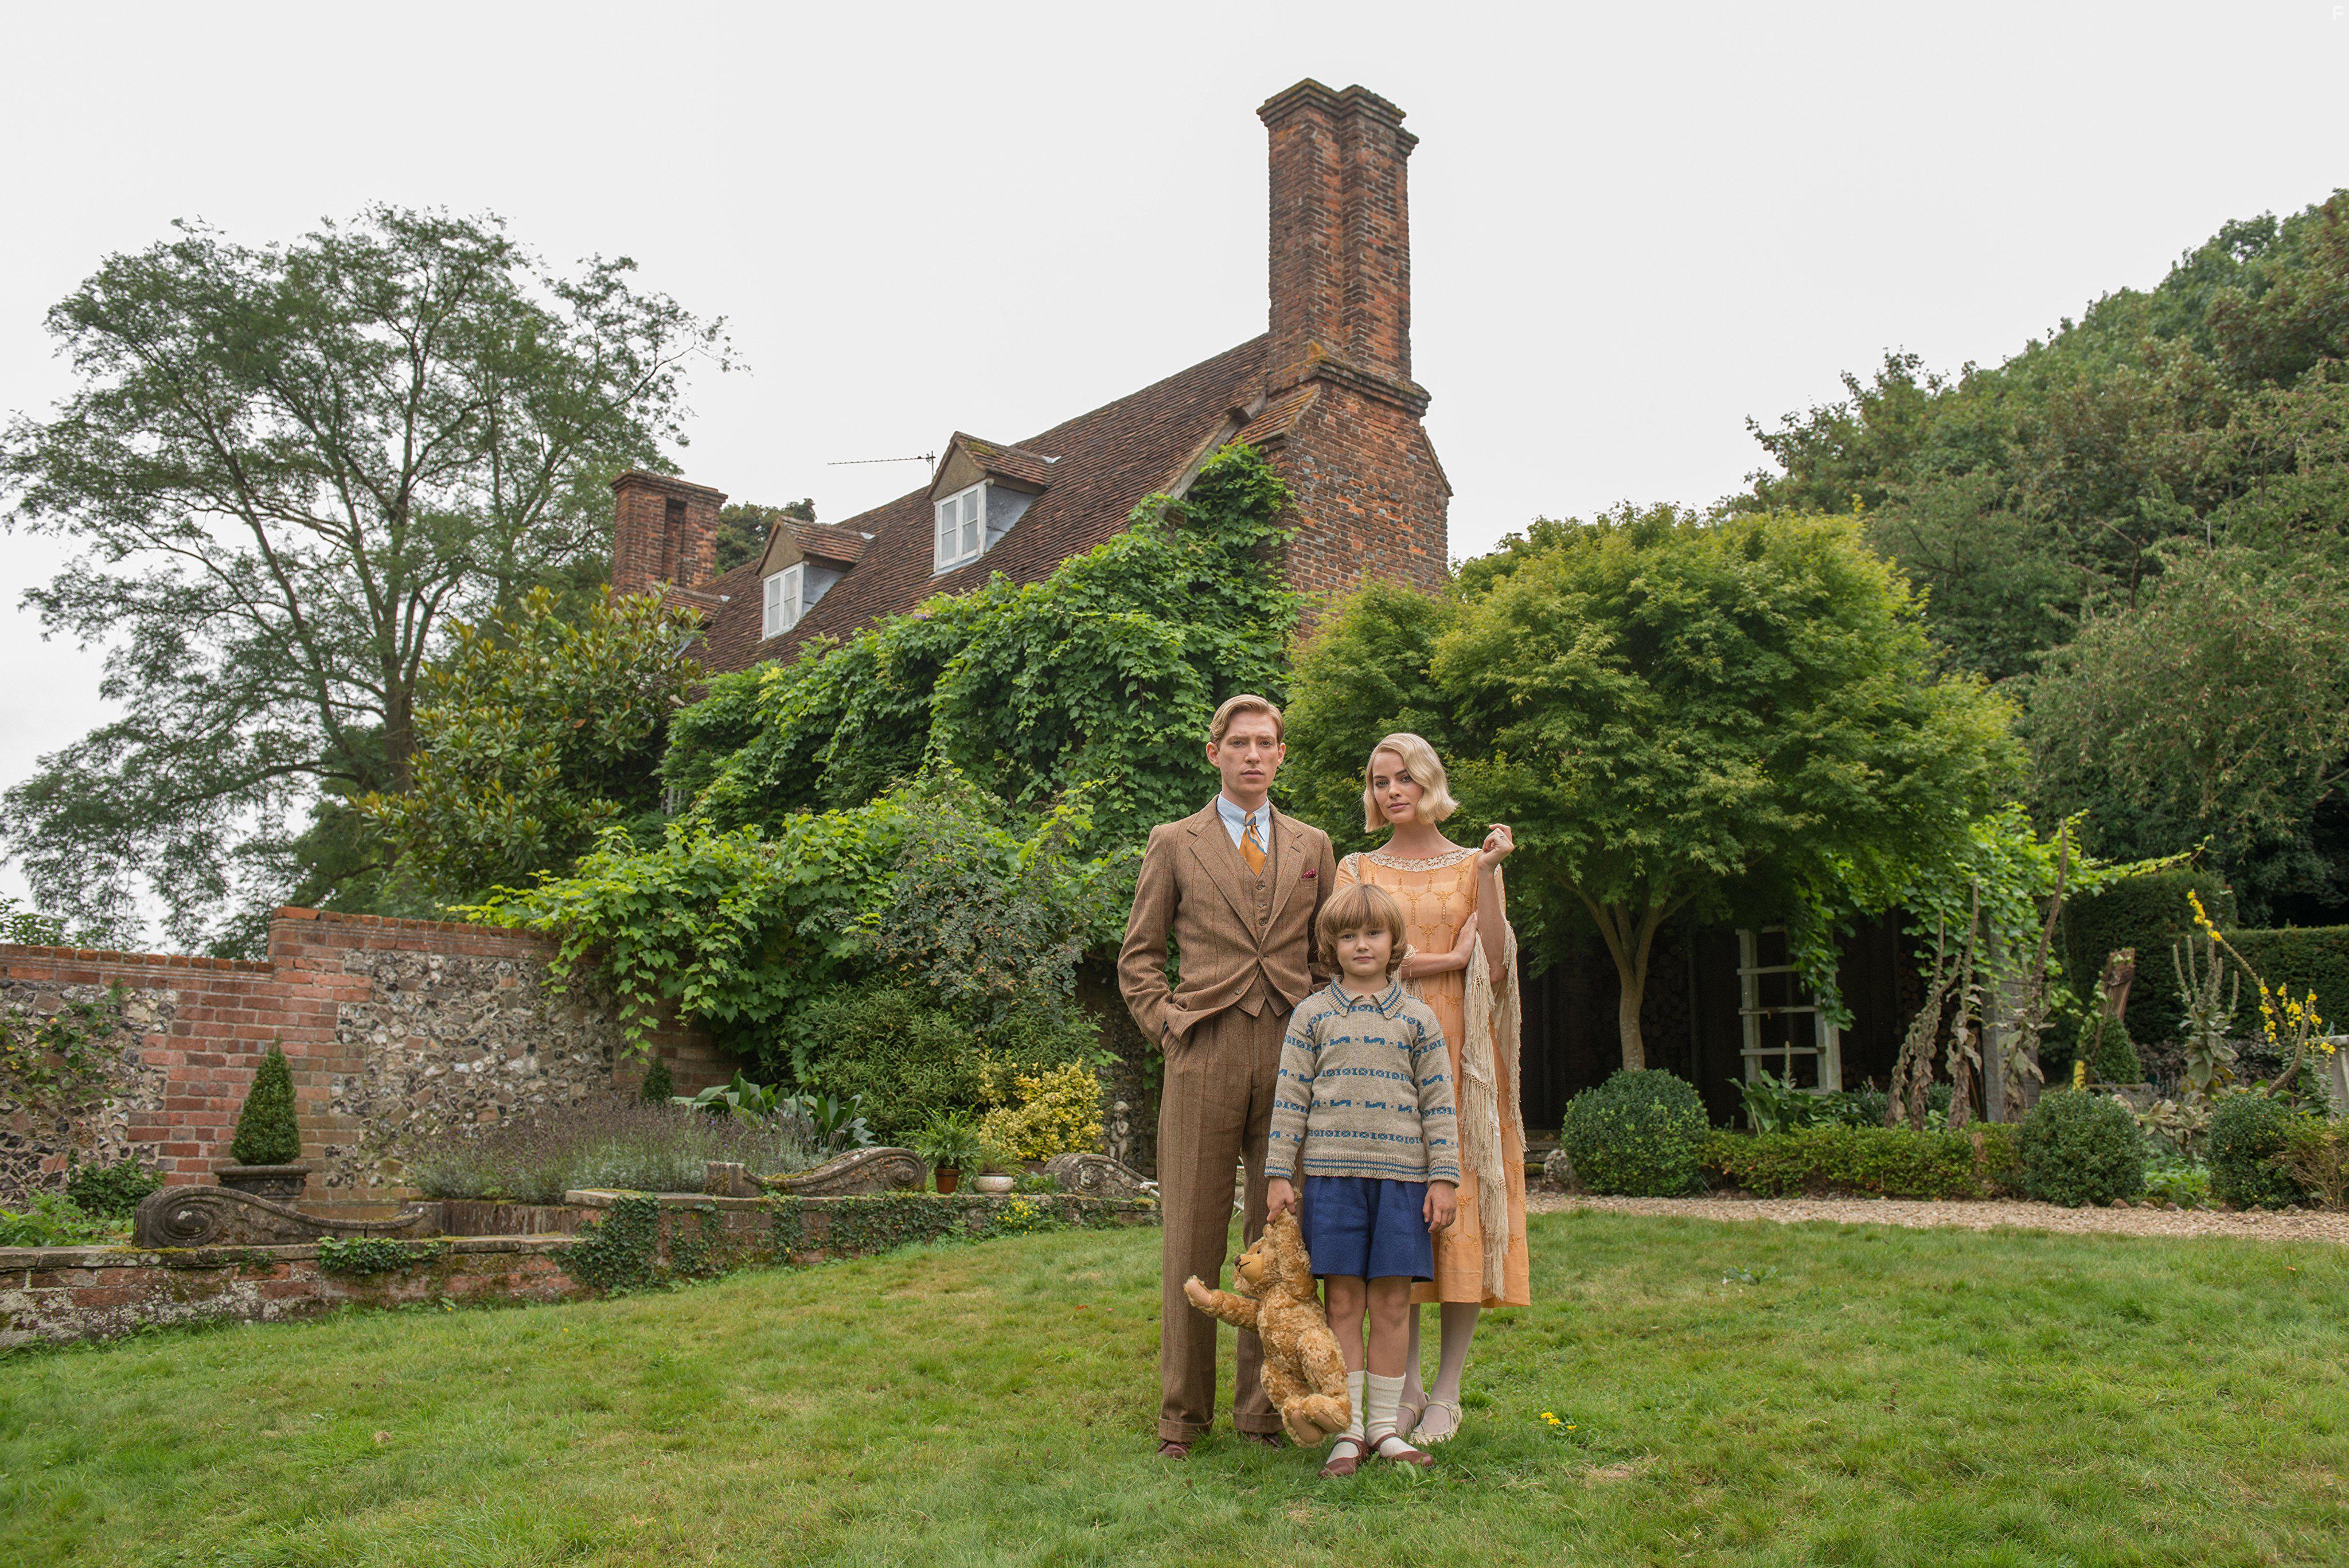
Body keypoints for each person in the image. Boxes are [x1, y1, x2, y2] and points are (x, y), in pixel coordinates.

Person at [1118, 694, 1338, 1459]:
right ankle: (1182, 1417)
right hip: (1204, 1051)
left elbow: (1326, 955)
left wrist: (1316, 1026)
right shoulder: (1174, 842)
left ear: (1281, 754)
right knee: (1192, 1233)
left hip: (1291, 1055)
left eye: (1264, 743)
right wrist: (1170, 1029)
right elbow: (1139, 958)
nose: (1252, 754)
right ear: (1214, 753)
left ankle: (1262, 1409)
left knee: (1279, 1240)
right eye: (1238, 742)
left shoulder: (1314, 844)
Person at [1332, 731, 1529, 1445]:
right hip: (1382, 1061)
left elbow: (1496, 967)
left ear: (1430, 783)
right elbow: (1349, 960)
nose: (1392, 792)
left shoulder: (1475, 864)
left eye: (1404, 778)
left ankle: (1447, 1389)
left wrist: (1490, 874)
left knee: (1462, 1216)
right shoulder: (1355, 867)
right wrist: (1447, 958)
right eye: (1380, 780)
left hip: (1461, 1060)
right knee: (1401, 1218)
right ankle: (1406, 1385)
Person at [1266, 882, 1459, 1477]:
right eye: (1348, 936)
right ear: (1331, 945)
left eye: (1373, 933)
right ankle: (1348, 1432)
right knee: (1344, 1302)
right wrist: (1278, 1173)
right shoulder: (1312, 1015)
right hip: (1332, 1180)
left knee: (1393, 1303)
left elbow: (1438, 1103)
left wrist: (1444, 1178)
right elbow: (1291, 1097)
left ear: (1394, 940)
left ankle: (1385, 1429)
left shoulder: (1417, 1018)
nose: (1362, 945)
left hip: (1403, 1182)